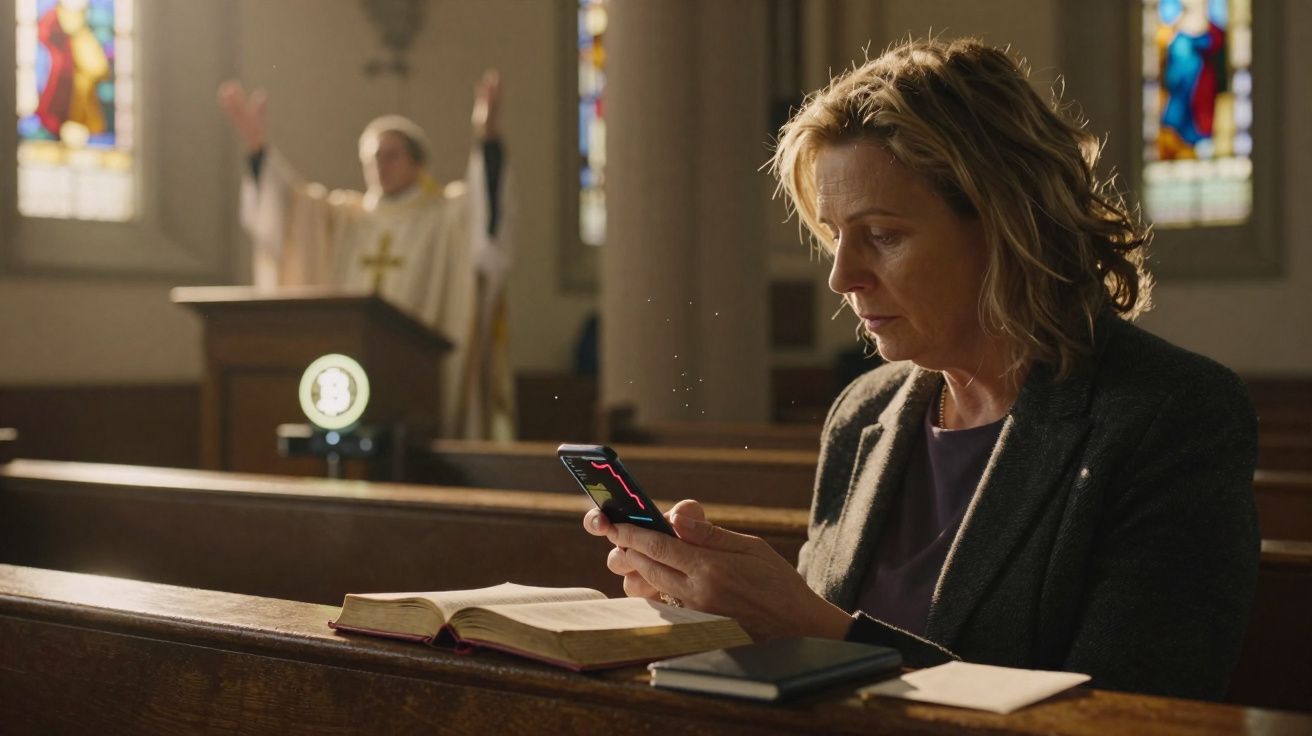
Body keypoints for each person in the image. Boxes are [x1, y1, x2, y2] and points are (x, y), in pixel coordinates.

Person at [583, 38, 1259, 701]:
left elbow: (1129, 718)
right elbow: (818, 681)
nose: (843, 277)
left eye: (882, 236)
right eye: (835, 235)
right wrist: (723, 615)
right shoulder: (864, 414)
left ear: (1006, 227)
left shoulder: (1172, 416)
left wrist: (817, 629)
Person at [217, 72, 514, 440]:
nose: (380, 166)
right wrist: (259, 149)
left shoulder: (445, 215)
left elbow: (487, 213)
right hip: (353, 367)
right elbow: (291, 212)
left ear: (418, 165)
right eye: (372, 157)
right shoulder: (346, 218)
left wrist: (488, 140)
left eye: (391, 156)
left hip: (417, 373)